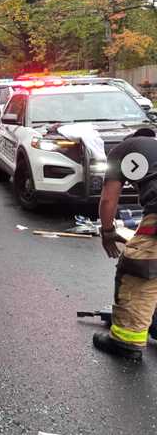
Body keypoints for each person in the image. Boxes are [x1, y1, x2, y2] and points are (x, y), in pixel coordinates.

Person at [93, 128, 157, 361]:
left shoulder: (121, 151)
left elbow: (109, 198)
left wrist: (108, 231)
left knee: (138, 270)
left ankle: (126, 341)